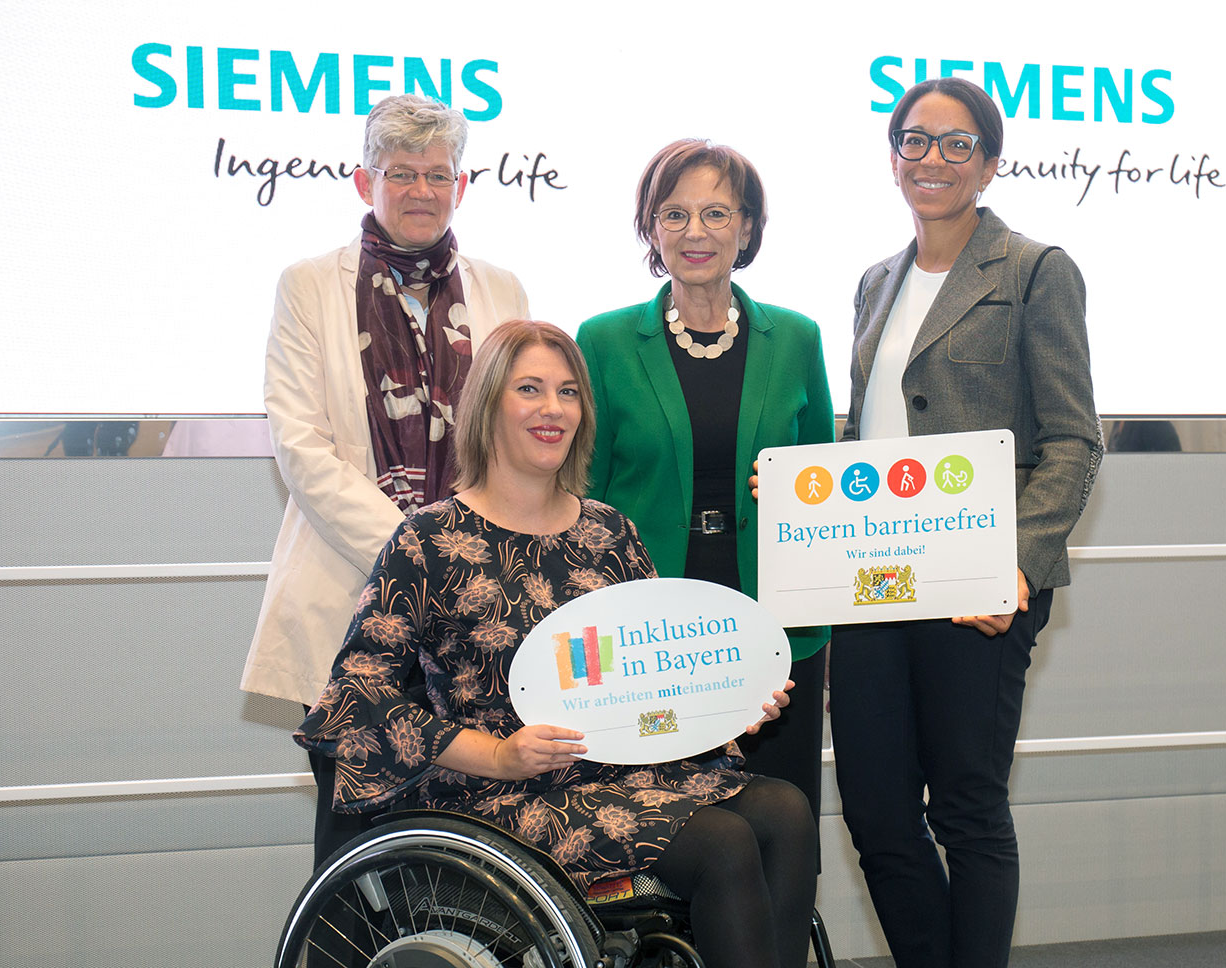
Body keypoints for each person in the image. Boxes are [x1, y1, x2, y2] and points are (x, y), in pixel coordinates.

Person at [296, 320, 819, 968]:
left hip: (631, 771)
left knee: (787, 811)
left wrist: (730, 704)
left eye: (569, 392)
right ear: (489, 404)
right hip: (510, 794)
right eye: (531, 389)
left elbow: (656, 672)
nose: (553, 409)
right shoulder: (427, 540)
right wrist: (499, 755)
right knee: (721, 843)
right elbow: (355, 698)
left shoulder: (609, 531)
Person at [834, 77, 1102, 967]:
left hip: (978, 594)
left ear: (989, 163)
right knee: (875, 813)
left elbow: (1072, 440)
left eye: (956, 145)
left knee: (966, 807)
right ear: (894, 157)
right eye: (915, 141)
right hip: (871, 587)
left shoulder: (1035, 270)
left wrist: (1013, 565)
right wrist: (805, 491)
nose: (933, 160)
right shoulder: (876, 281)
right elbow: (864, 435)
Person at [239, 94, 529, 868]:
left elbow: (518, 436)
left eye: (438, 174)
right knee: (354, 845)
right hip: (352, 600)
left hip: (475, 610)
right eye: (401, 173)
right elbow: (301, 446)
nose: (421, 191)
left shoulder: (503, 291)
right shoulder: (308, 285)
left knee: (474, 844)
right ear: (366, 183)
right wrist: (419, 551)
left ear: (461, 187)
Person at [578, 139, 835, 813]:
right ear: (651, 228)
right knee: (670, 828)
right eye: (675, 214)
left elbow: (825, 496)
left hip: (775, 624)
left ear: (746, 227)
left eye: (717, 214)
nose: (696, 233)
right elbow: (584, 501)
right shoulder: (602, 342)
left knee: (783, 819)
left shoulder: (799, 339)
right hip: (650, 632)